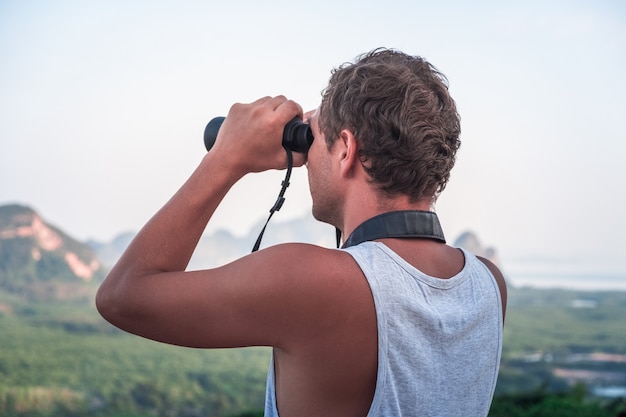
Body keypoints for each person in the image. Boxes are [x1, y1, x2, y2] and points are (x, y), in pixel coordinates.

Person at [96, 48, 507, 417]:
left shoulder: (317, 282)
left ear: (346, 150)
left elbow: (123, 296)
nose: (307, 157)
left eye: (317, 138)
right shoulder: (488, 284)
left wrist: (226, 157)